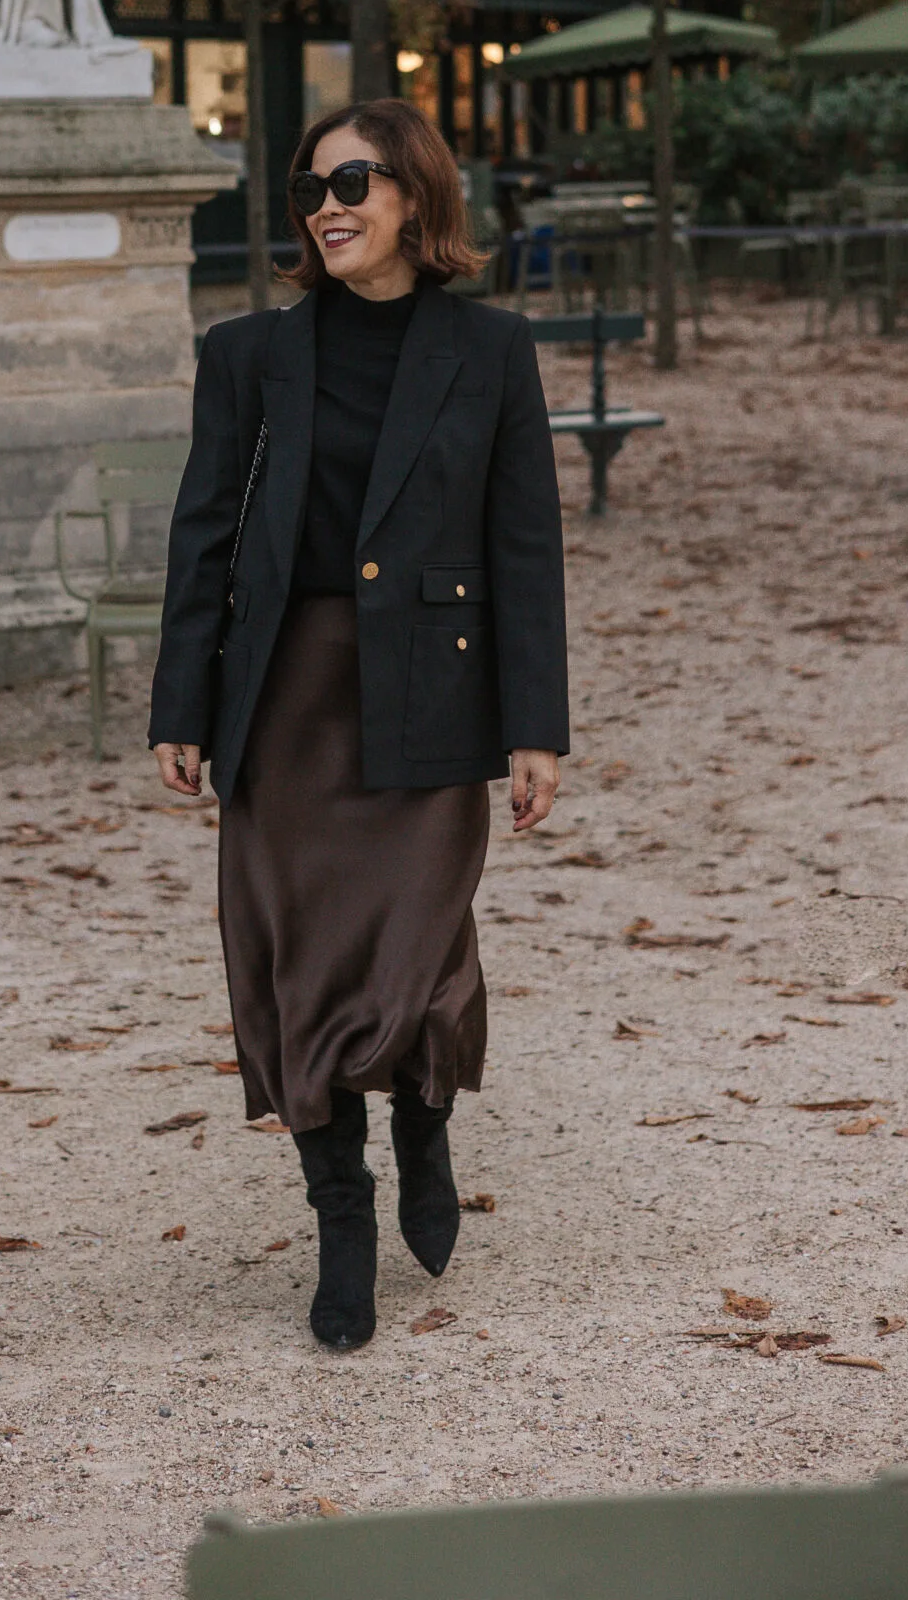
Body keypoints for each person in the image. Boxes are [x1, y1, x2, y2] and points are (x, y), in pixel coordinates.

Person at [150, 99, 569, 1351]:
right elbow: (203, 535)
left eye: (353, 179)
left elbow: (525, 543)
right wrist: (182, 702)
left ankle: (425, 1125)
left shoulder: (491, 352)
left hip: (432, 691)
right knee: (297, 964)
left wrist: (535, 726)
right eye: (309, 185)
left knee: (418, 950)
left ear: (415, 198)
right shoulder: (246, 355)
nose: (327, 203)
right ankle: (342, 1215)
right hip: (283, 699)